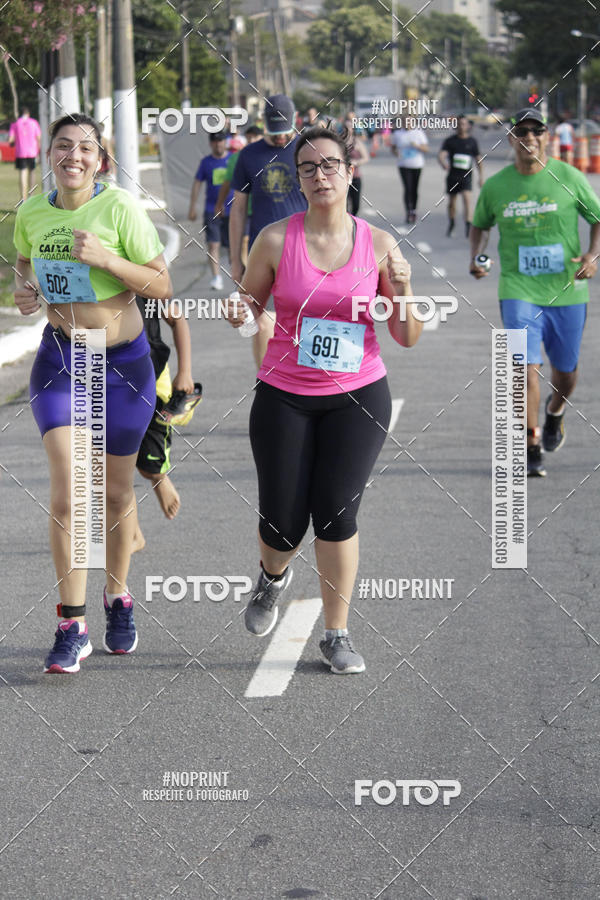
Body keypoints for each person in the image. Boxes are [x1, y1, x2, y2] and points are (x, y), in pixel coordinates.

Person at [225, 124, 423, 674]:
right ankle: (270, 579)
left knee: (336, 513)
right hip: (284, 395)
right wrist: (239, 312)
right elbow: (249, 306)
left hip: (358, 396)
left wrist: (403, 290)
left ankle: (336, 632)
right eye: (308, 168)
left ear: (349, 171)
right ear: (298, 178)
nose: (320, 175)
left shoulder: (380, 245)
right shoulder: (274, 240)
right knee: (283, 522)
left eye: (330, 164)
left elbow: (406, 336)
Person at [13, 112, 172, 672]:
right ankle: (71, 622)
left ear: (100, 160)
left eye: (85, 148)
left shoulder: (120, 208)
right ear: (50, 155)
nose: (73, 156)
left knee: (114, 494)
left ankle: (118, 595)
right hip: (62, 359)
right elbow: (24, 263)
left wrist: (107, 259)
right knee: (67, 495)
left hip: (124, 366)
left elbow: (162, 284)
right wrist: (24, 292)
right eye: (63, 146)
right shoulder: (31, 212)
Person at [470, 107, 600, 477]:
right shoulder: (497, 186)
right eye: (521, 131)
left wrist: (591, 257)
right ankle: (530, 445)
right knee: (523, 368)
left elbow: (598, 219)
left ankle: (556, 412)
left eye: (536, 131)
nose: (528, 137)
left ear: (546, 137)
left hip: (567, 290)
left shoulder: (568, 177)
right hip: (517, 288)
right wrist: (478, 258)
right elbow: (479, 227)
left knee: (566, 371)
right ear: (511, 138)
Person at [229, 94, 307, 368]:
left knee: (306, 322)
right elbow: (237, 210)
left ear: (295, 121)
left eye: (284, 132)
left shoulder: (308, 150)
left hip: (306, 252)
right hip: (263, 254)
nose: (280, 139)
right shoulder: (248, 156)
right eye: (274, 133)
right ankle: (268, 382)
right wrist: (235, 262)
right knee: (262, 323)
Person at [133, 294, 198, 549]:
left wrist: (185, 372)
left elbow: (177, 320)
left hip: (152, 378)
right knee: (109, 463)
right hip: (107, 377)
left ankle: (158, 476)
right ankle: (132, 533)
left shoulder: (145, 279)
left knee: (148, 462)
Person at [214, 124, 263, 269]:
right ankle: (245, 273)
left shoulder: (270, 156)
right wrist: (219, 203)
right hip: (245, 209)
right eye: (248, 138)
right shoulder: (237, 158)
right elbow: (227, 182)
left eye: (255, 137)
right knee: (244, 241)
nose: (251, 141)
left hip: (266, 209)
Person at [188, 131, 232, 291]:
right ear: (211, 144)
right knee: (213, 244)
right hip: (211, 209)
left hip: (232, 210)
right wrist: (192, 207)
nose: (218, 144)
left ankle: (238, 277)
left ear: (225, 142)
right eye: (215, 142)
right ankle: (216, 277)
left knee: (232, 246)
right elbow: (197, 183)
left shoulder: (232, 160)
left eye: (221, 141)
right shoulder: (206, 162)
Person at [438, 115, 483, 237]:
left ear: (468, 126)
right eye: (458, 124)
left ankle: (468, 226)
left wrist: (481, 177)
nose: (461, 127)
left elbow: (478, 159)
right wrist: (443, 162)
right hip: (453, 176)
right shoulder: (450, 141)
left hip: (466, 176)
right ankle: (452, 223)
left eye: (463, 124)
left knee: (467, 200)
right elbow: (442, 154)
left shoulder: (472, 141)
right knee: (452, 202)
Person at [390, 117, 428, 224]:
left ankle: (414, 210)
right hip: (403, 164)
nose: (408, 123)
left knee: (415, 189)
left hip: (417, 164)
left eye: (410, 121)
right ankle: (408, 212)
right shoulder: (398, 134)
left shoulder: (418, 133)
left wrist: (417, 146)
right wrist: (396, 153)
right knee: (407, 188)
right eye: (405, 121)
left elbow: (426, 149)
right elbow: (393, 148)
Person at [9, 108, 41, 204]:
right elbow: (39, 138)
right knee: (32, 173)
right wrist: (38, 151)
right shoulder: (34, 122)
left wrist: (14, 142)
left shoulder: (15, 123)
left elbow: (10, 140)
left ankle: (23, 199)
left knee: (23, 174)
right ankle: (31, 197)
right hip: (32, 152)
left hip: (21, 152)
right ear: (28, 113)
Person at [345, 125, 369, 216]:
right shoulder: (340, 142)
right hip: (343, 177)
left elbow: (366, 158)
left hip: (355, 177)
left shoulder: (357, 142)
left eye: (350, 127)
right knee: (344, 204)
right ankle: (345, 222)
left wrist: (356, 162)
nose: (348, 129)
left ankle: (353, 219)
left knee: (356, 204)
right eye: (346, 126)